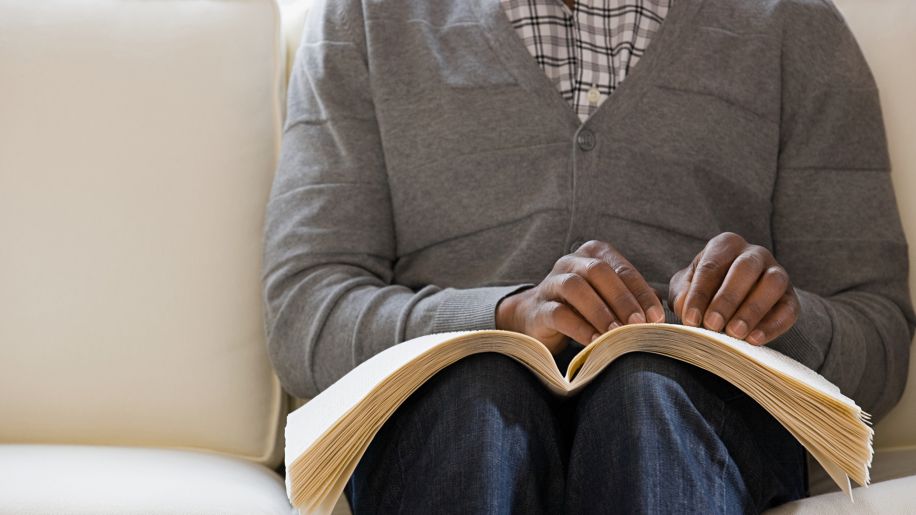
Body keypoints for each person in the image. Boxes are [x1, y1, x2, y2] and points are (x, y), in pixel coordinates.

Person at [261, 0, 915, 512]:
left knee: (649, 394)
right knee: (476, 398)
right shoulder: (364, 19)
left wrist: (772, 322)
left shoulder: (796, 24)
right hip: (446, 422)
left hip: (697, 415)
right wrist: (503, 317)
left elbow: (880, 339)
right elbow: (303, 307)